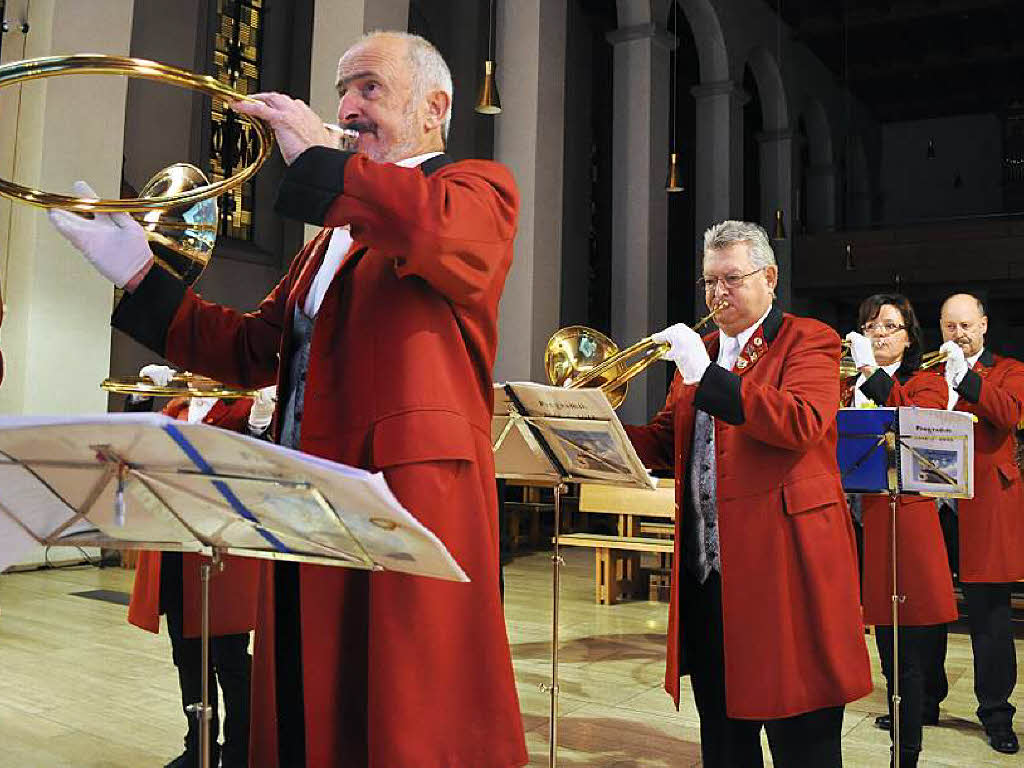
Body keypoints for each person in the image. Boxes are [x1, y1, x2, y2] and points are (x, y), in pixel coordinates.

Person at [50, 30, 526, 768]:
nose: (346, 106)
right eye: (343, 90)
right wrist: (139, 273)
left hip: (405, 494)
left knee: (406, 716)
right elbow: (247, 350)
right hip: (311, 500)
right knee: (309, 707)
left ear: (435, 108)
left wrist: (319, 158)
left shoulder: (477, 189)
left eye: (369, 86)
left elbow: (423, 225)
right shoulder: (327, 242)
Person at [624, 220, 872, 768]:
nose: (718, 295)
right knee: (725, 742)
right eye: (710, 282)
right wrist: (596, 430)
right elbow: (669, 440)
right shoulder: (704, 349)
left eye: (732, 279)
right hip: (711, 579)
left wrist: (704, 372)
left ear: (769, 278)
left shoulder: (809, 339)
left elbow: (801, 422)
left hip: (787, 573)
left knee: (802, 742)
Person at [125, 364, 274, 768]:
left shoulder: (243, 408)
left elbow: (257, 465)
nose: (192, 369)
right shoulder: (173, 408)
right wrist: (140, 397)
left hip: (222, 549)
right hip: (175, 547)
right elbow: (137, 446)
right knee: (187, 658)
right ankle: (199, 746)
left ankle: (242, 751)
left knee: (230, 659)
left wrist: (259, 426)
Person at [842, 295, 957, 768]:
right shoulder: (843, 382)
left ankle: (904, 757)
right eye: (871, 325)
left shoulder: (928, 383)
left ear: (909, 338)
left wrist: (872, 374)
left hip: (905, 525)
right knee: (885, 649)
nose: (879, 333)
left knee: (908, 655)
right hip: (856, 523)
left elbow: (913, 421)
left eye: (890, 326)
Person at [928, 293, 1024, 755]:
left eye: (966, 325)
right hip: (933, 505)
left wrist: (964, 379)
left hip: (983, 505)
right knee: (926, 611)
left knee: (990, 618)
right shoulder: (930, 372)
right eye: (950, 326)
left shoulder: (1010, 370)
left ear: (984, 325)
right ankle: (925, 702)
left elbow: (1006, 414)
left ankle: (997, 716)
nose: (958, 334)